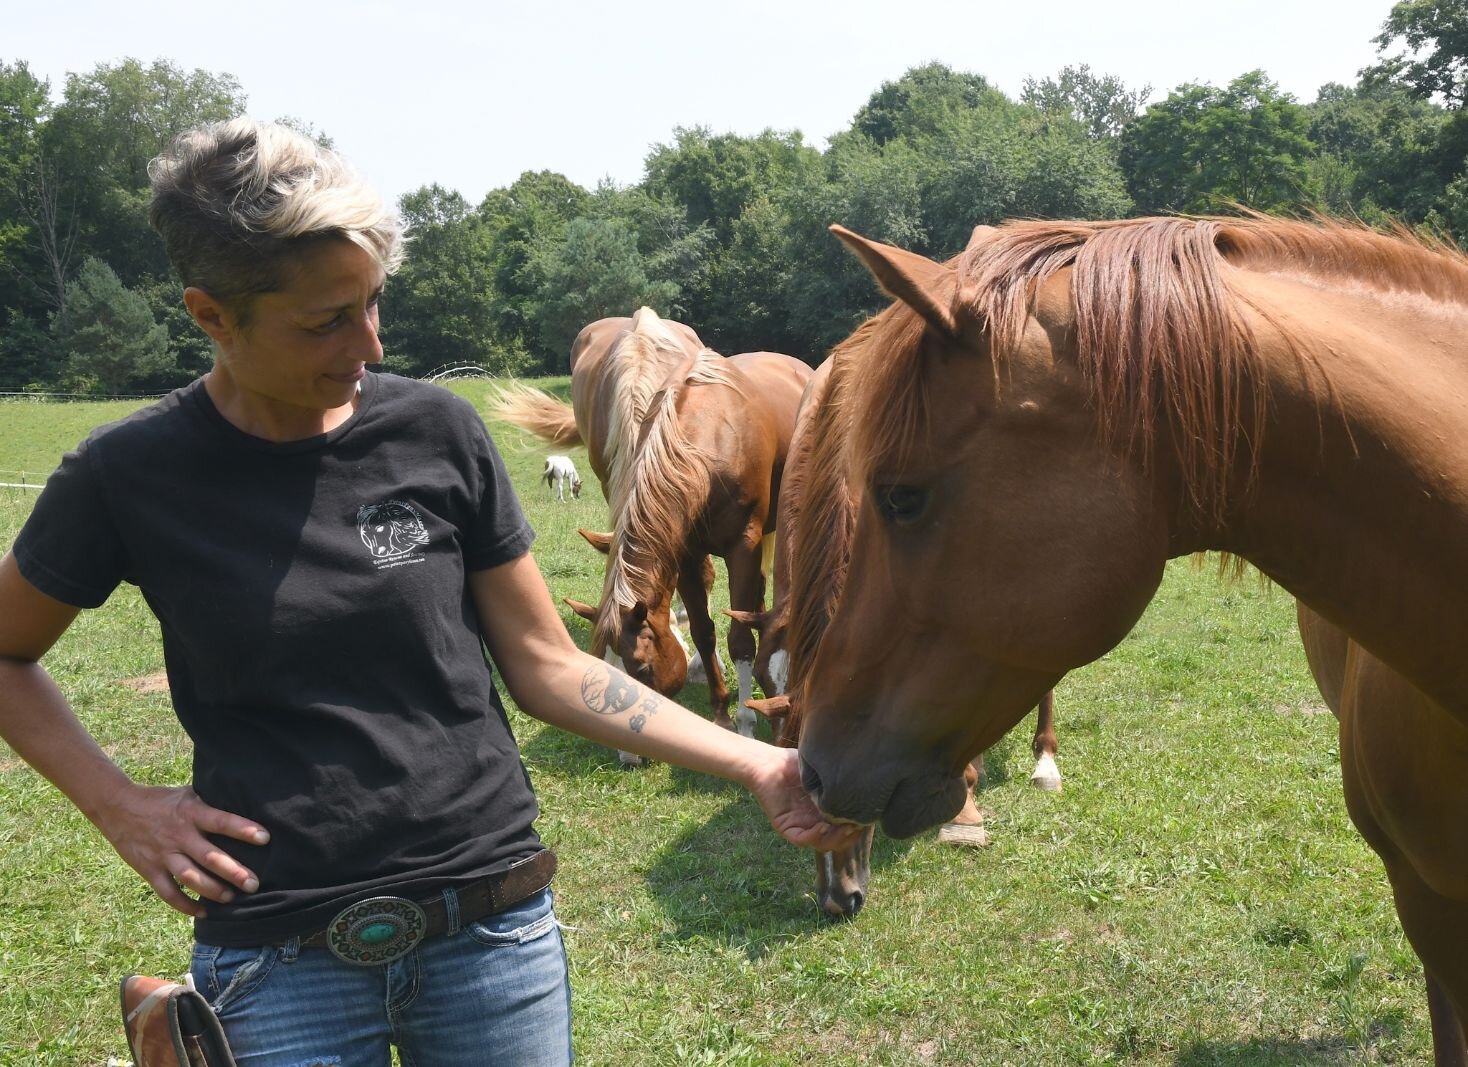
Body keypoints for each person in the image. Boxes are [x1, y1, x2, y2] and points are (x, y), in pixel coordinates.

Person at [0, 117, 858, 1067]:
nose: (368, 344)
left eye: (373, 303)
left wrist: (754, 764)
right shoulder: (130, 474)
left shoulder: (436, 434)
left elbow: (544, 665)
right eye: (327, 320)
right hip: (281, 958)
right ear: (212, 316)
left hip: (491, 934)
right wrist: (118, 803)